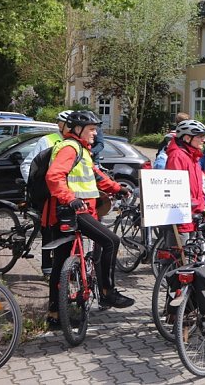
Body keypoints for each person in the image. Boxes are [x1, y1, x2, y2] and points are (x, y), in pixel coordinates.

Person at [44, 110, 134, 327]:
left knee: (60, 262)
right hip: (74, 210)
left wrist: (117, 188)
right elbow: (54, 176)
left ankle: (55, 315)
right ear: (78, 129)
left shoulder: (80, 150)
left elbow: (95, 176)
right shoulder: (70, 148)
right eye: (92, 129)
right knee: (111, 241)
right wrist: (70, 198)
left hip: (66, 211)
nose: (96, 133)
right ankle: (107, 292)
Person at [21, 110, 73, 275]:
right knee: (48, 229)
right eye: (70, 125)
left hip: (68, 195)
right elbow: (28, 164)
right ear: (60, 125)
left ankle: (66, 268)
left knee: (69, 230)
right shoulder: (47, 140)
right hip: (47, 194)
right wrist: (35, 185)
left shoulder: (77, 144)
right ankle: (47, 266)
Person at [164, 119, 205, 244]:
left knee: (194, 253)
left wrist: (203, 206)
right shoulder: (177, 156)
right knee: (179, 254)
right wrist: (197, 206)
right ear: (187, 138)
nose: (204, 140)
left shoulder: (193, 156)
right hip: (182, 217)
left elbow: (197, 187)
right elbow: (176, 189)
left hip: (193, 216)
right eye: (200, 136)